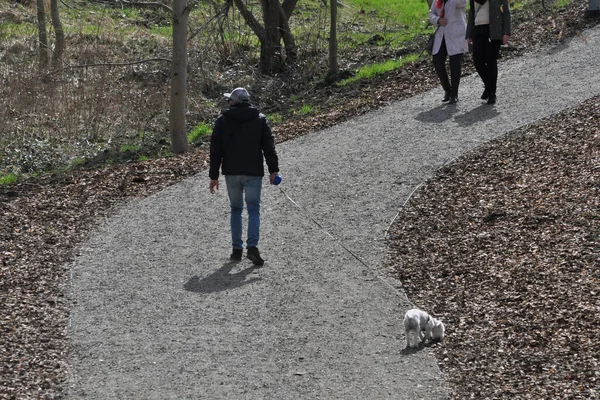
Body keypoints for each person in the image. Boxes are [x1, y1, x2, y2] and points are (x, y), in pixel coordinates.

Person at [209, 87, 279, 266]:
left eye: (229, 100)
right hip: (253, 172)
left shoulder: (222, 121)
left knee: (236, 210)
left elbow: (215, 151)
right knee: (254, 209)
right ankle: (253, 247)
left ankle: (237, 250)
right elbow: (268, 147)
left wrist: (214, 176)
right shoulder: (260, 119)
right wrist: (273, 170)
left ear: (234, 101)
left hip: (231, 172)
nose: (228, 102)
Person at [466, 0, 511, 105]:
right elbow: (472, 13)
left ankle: (492, 93)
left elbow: (506, 12)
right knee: (478, 61)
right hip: (477, 29)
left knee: (491, 61)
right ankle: (488, 86)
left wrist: (506, 32)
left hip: (493, 30)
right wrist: (468, 33)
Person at [429, 0, 468, 104]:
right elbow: (431, 14)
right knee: (437, 61)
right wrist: (438, 20)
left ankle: (454, 94)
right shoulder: (437, 1)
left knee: (454, 64)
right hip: (441, 35)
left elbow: (463, 3)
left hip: (456, 35)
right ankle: (448, 89)